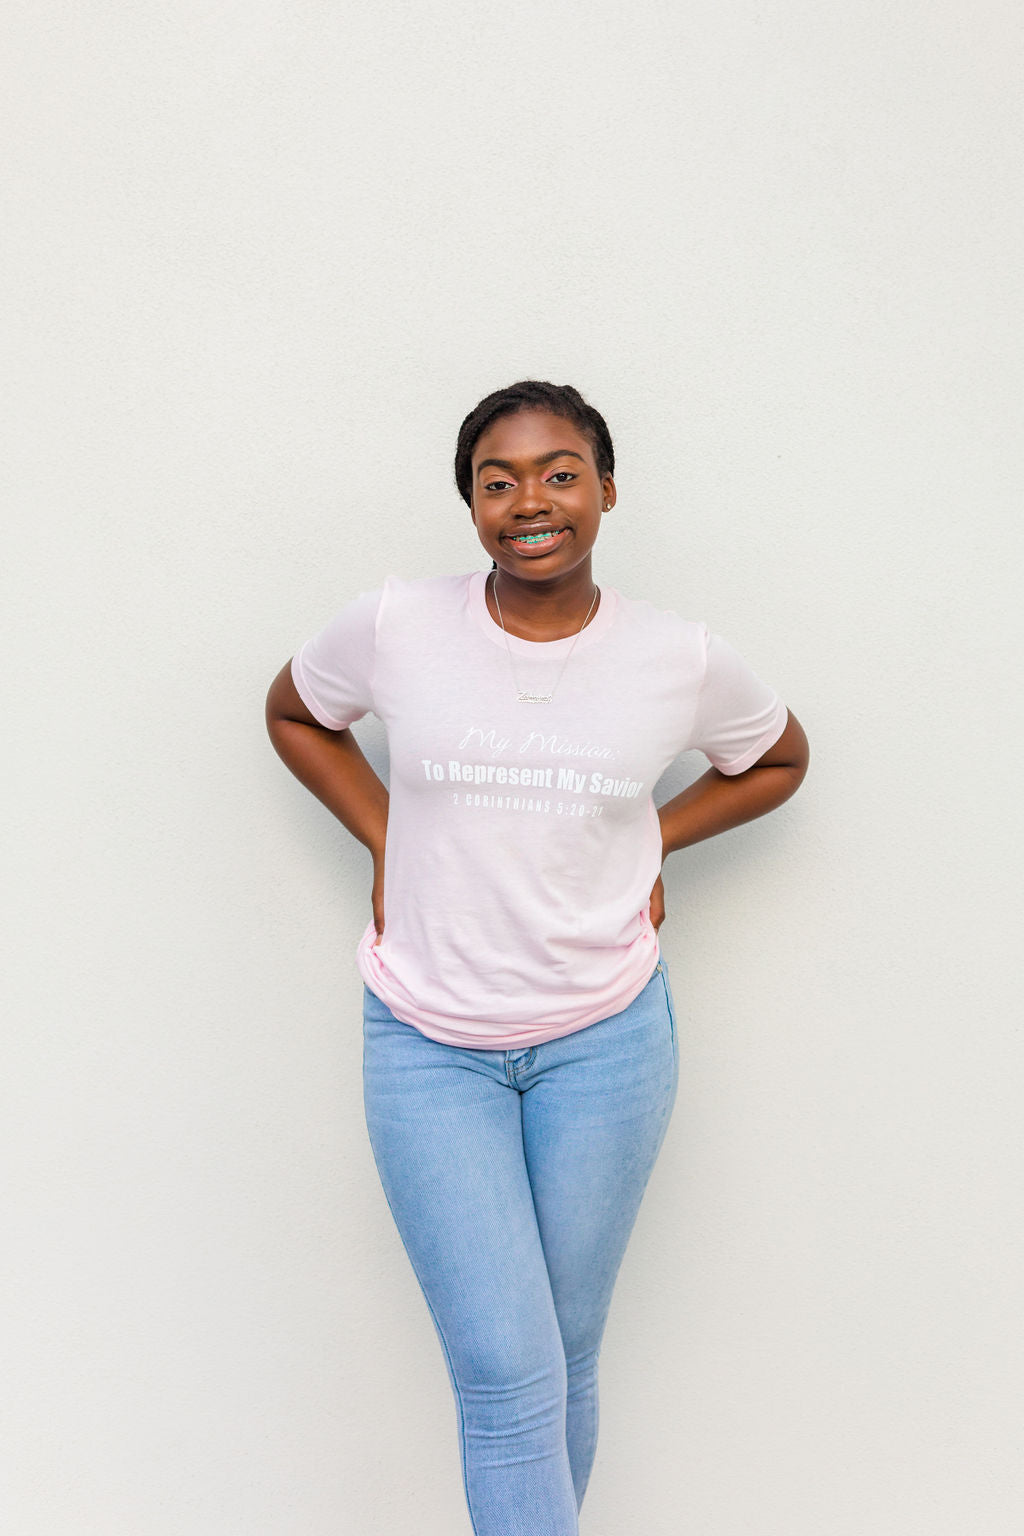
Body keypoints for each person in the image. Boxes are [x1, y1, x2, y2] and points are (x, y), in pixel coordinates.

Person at [265, 380, 809, 1536]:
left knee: (561, 1353)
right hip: (428, 1042)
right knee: (506, 1373)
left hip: (605, 1041)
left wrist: (650, 834)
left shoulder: (676, 655)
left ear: (605, 492)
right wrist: (382, 830)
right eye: (496, 479)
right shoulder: (398, 624)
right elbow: (297, 714)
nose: (530, 501)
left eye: (559, 472)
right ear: (469, 503)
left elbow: (773, 759)